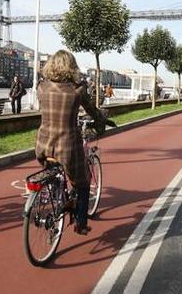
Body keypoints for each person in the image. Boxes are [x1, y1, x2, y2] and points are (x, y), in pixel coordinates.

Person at [35, 50, 116, 235]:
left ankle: (58, 198)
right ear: (72, 67)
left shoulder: (41, 87)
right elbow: (92, 110)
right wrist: (101, 120)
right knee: (83, 183)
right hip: (67, 147)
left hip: (42, 145)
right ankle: (80, 222)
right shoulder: (77, 89)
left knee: (55, 175)